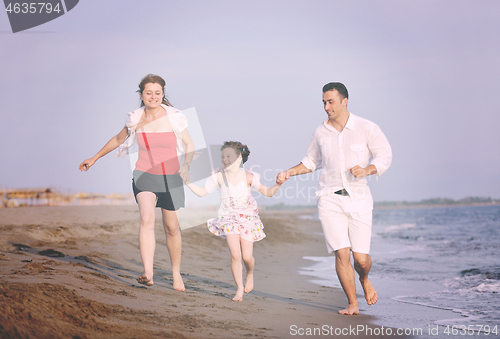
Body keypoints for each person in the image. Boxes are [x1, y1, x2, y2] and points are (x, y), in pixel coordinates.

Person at [277, 82, 392, 315]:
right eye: (324, 102)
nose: (326, 107)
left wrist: (368, 169)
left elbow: (385, 155)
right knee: (341, 253)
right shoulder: (321, 132)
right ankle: (352, 303)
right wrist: (288, 172)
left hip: (359, 198)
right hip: (329, 198)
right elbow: (311, 161)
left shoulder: (366, 127)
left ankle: (365, 278)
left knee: (360, 259)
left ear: (344, 101)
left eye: (330, 102)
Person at [79, 74, 195, 291]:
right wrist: (94, 158)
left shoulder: (174, 118)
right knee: (146, 218)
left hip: (171, 176)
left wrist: (186, 166)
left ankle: (176, 273)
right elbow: (117, 139)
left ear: (163, 94)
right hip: (144, 174)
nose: (153, 97)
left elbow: (190, 145)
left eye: (157, 93)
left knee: (171, 228)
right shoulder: (135, 119)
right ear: (141, 95)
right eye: (148, 93)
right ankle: (148, 272)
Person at [183, 141, 282, 301]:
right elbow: (202, 192)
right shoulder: (218, 177)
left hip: (247, 220)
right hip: (228, 220)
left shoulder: (249, 177)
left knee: (246, 257)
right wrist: (187, 182)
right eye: (222, 156)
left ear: (239, 158)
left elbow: (268, 193)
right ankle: (239, 289)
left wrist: (277, 184)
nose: (224, 159)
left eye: (228, 156)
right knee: (235, 255)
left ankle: (249, 273)